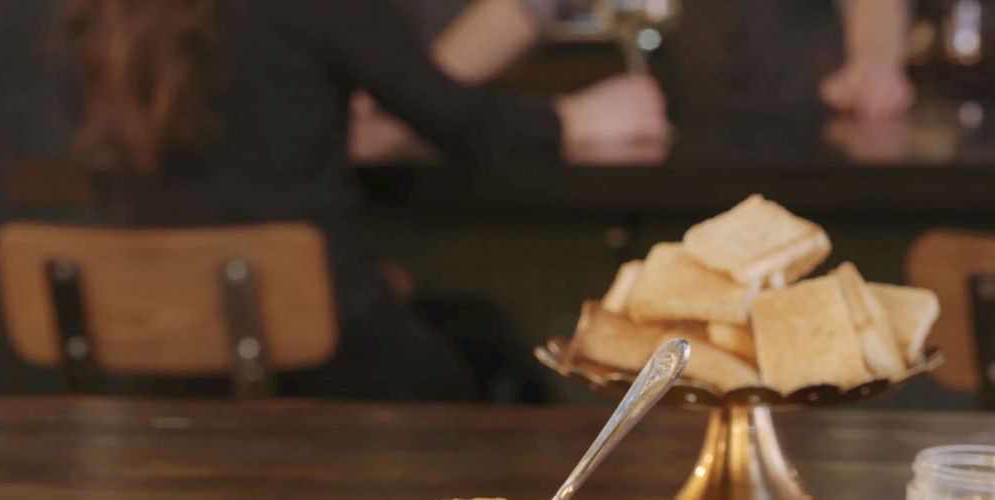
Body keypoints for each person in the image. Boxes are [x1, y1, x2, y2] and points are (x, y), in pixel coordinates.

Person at [58, 0, 667, 400]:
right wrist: (573, 117)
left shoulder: (108, 18)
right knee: (497, 354)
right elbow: (457, 119)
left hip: (154, 363)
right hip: (322, 351)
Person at [350, 0, 913, 162]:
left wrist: (873, 64)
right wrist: (411, 90)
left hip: (811, 141)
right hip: (684, 140)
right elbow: (525, 7)